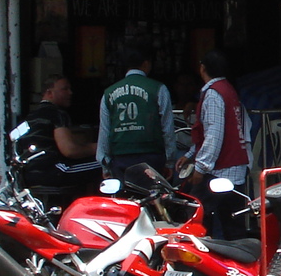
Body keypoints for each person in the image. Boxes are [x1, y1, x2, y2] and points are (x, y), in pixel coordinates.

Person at [183, 50, 251, 240]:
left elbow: (213, 135)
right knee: (232, 223)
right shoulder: (228, 89)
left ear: (202, 68)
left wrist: (200, 167)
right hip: (234, 168)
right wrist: (190, 154)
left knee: (196, 217)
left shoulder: (213, 94)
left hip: (219, 169)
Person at [18, 76, 101, 207]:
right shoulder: (56, 113)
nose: (70, 93)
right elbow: (70, 151)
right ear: (49, 93)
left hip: (29, 176)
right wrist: (99, 148)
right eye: (65, 89)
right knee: (106, 164)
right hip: (53, 172)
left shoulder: (30, 116)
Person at [96, 43, 173, 179]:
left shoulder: (108, 93)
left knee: (124, 199)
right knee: (151, 199)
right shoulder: (158, 89)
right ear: (146, 63)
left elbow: (104, 132)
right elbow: (167, 129)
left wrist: (105, 163)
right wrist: (170, 161)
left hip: (120, 158)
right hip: (152, 158)